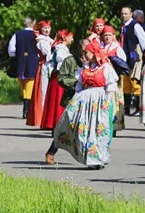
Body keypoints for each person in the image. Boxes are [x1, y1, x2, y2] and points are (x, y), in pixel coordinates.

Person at [45, 39, 117, 169]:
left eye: (87, 52)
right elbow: (78, 86)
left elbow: (110, 87)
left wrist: (107, 103)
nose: (84, 55)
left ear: (94, 54)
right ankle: (88, 158)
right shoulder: (84, 68)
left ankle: (98, 159)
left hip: (99, 102)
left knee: (98, 131)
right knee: (82, 128)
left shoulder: (105, 68)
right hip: (84, 101)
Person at [40, 30, 74, 130]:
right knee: (59, 100)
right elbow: (61, 64)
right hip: (59, 78)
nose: (72, 39)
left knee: (58, 100)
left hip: (59, 77)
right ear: (65, 38)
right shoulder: (61, 49)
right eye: (70, 37)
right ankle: (56, 122)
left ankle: (56, 122)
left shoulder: (62, 48)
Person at [120, 6, 145, 116]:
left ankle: (137, 108)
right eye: (122, 14)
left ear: (131, 14)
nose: (124, 16)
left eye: (126, 14)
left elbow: (144, 41)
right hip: (125, 58)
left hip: (133, 58)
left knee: (135, 83)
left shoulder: (135, 26)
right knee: (126, 84)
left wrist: (143, 55)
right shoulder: (123, 26)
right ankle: (126, 108)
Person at [8, 17, 38, 119]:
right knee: (29, 87)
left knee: (24, 87)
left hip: (20, 64)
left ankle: (26, 109)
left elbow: (11, 50)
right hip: (32, 63)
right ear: (33, 24)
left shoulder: (17, 34)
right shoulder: (36, 35)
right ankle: (27, 110)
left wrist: (18, 55)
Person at [26, 20, 53, 127]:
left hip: (50, 66)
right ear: (41, 30)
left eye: (48, 28)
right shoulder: (41, 41)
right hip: (45, 67)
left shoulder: (49, 40)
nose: (47, 30)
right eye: (44, 28)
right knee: (43, 91)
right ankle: (41, 117)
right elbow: (47, 53)